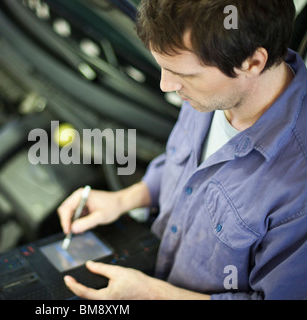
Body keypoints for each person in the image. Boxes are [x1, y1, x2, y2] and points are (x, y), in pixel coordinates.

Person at [57, 0, 307, 300]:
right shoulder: (212, 93)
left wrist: (152, 294)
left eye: (184, 75)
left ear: (252, 63)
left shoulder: (298, 188)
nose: (166, 85)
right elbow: (182, 169)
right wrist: (125, 199)